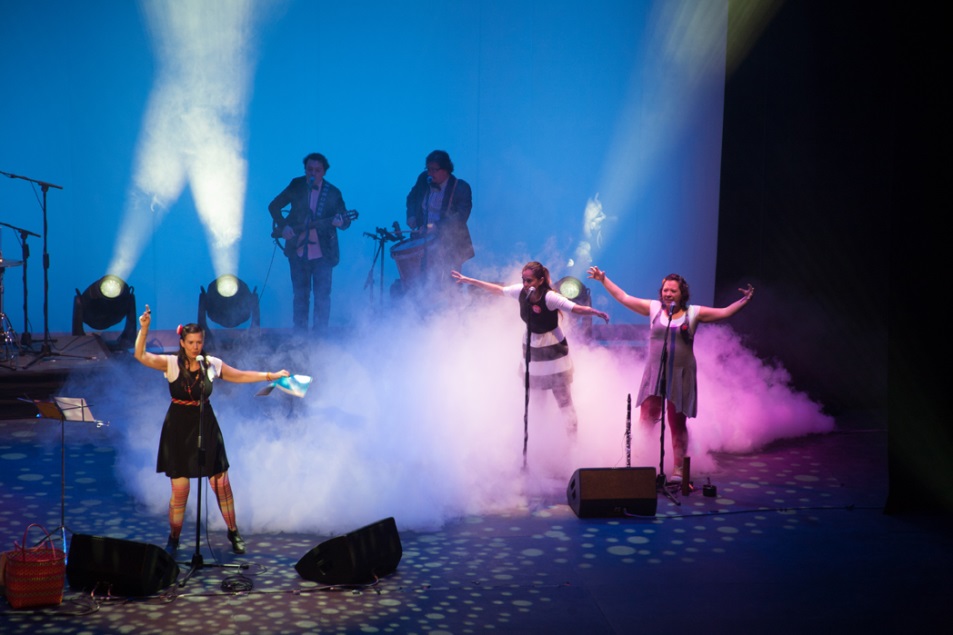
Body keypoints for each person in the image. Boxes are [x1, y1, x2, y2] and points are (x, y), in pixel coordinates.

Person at [134, 304, 289, 555]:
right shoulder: (171, 364)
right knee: (181, 490)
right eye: (191, 342)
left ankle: (233, 531)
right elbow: (141, 356)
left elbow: (238, 376)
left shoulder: (210, 363)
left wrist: (271, 375)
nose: (196, 346)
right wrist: (144, 329)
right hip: (178, 429)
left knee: (220, 483)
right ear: (182, 342)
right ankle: (173, 538)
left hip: (206, 425)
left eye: (199, 342)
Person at [587, 267, 754, 482]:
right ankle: (640, 462)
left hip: (681, 374)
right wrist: (603, 280)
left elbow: (724, 312)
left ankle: (678, 469)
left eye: (673, 291)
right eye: (665, 290)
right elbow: (624, 297)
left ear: (682, 293)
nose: (668, 294)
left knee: (677, 422)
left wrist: (745, 301)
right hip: (655, 372)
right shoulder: (654, 308)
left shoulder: (693, 313)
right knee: (646, 418)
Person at [452, 262, 609, 434]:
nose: (526, 284)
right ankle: (541, 442)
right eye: (524, 280)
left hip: (554, 349)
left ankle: (573, 443)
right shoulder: (520, 292)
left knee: (564, 400)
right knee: (537, 400)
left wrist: (596, 312)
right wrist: (470, 280)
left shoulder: (549, 297)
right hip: (532, 348)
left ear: (541, 281)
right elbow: (498, 289)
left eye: (529, 281)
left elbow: (575, 308)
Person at [268, 152, 353, 333]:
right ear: (305, 170)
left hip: (324, 253)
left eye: (317, 170)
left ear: (324, 172)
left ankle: (320, 336)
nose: (313, 173)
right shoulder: (297, 185)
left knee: (322, 296)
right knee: (300, 296)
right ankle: (300, 337)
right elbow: (274, 206)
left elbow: (345, 220)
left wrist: (341, 222)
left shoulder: (333, 192)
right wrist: (284, 227)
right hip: (298, 251)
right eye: (309, 169)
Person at [404, 150, 474, 290]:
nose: (430, 173)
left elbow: (460, 217)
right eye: (428, 169)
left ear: (446, 170)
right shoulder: (424, 180)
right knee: (422, 282)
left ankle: (451, 308)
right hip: (424, 242)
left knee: (448, 285)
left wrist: (436, 226)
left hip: (450, 244)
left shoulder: (461, 187)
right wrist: (411, 216)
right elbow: (411, 198)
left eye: (434, 170)